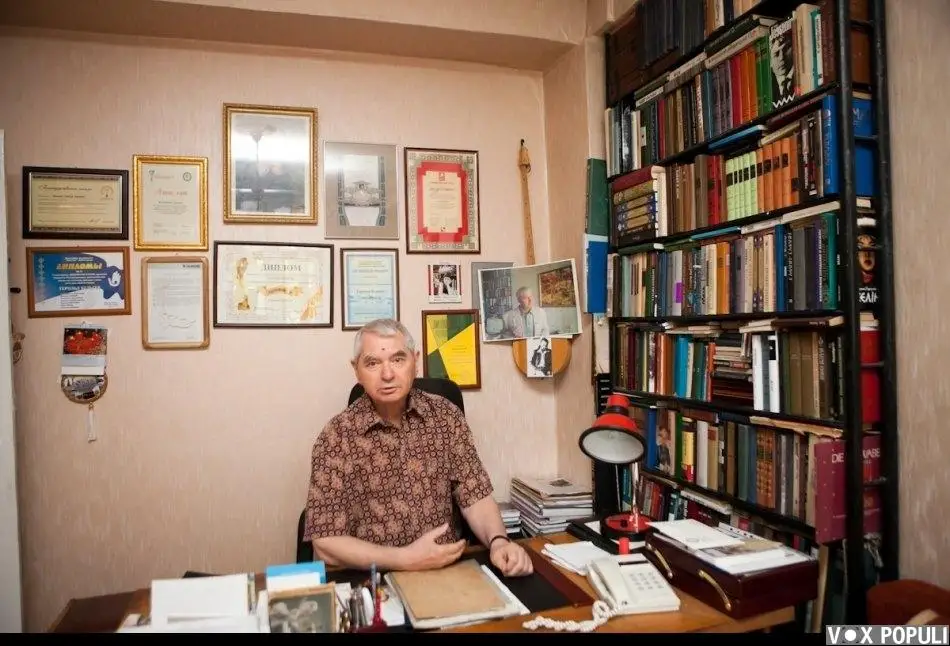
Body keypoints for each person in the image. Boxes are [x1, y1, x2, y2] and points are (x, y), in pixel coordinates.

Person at [302, 318, 533, 578]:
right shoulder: (336, 437)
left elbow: (474, 494)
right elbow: (326, 542)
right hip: (375, 578)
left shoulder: (446, 416)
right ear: (356, 370)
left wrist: (499, 541)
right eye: (373, 363)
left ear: (416, 360)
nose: (387, 374)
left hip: (448, 570)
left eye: (398, 359)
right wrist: (406, 559)